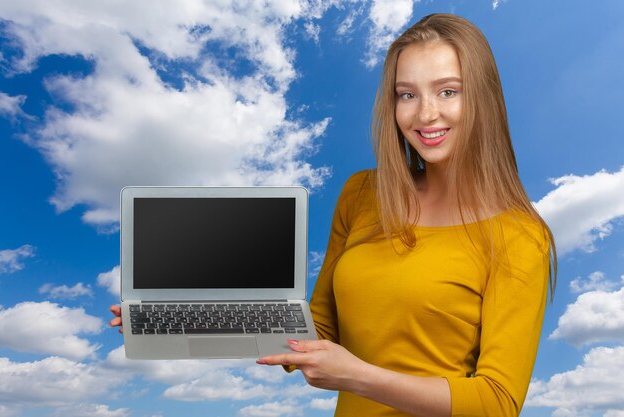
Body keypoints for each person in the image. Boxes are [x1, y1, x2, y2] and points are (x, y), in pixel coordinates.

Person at [110, 13, 556, 417]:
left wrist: (357, 376)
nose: (425, 113)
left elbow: (497, 402)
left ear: (484, 97)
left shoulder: (519, 234)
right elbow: (320, 326)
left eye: (447, 91)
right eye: (407, 94)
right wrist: (197, 318)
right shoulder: (362, 192)